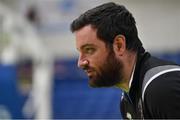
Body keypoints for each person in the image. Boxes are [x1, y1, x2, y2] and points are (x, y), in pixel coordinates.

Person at [70, 2, 180, 119]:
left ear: (119, 45)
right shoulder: (127, 101)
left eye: (89, 50)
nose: (80, 63)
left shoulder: (162, 87)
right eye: (79, 52)